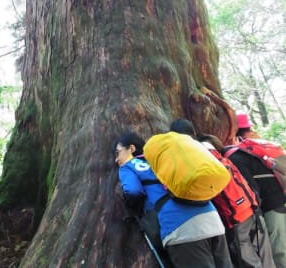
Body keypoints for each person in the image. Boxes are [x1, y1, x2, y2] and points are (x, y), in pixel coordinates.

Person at [113, 131, 233, 268]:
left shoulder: (128, 167)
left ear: (131, 149)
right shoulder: (162, 160)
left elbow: (133, 191)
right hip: (211, 218)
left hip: (181, 227)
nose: (116, 159)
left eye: (118, 153)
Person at [170, 118, 276, 268]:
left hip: (235, 213)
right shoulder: (212, 149)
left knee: (249, 260)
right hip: (251, 205)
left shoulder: (193, 154)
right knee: (265, 257)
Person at [227, 113, 286, 268]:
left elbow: (251, 190)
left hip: (272, 207)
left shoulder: (237, 156)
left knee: (279, 251)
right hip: (281, 199)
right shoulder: (260, 147)